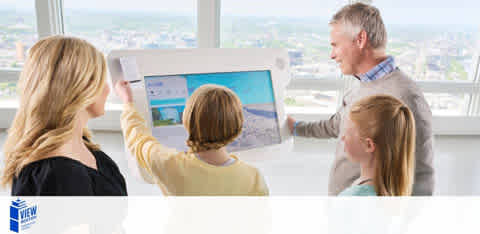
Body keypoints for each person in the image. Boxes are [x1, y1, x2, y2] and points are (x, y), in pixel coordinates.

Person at [288, 2, 434, 195]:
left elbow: (421, 175)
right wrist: (296, 128)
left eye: (335, 45)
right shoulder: (362, 85)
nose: (332, 55)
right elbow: (337, 125)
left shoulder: (404, 96)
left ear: (360, 39)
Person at [2, 36, 127, 196]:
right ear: (82, 87)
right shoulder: (59, 176)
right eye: (102, 80)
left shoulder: (81, 146)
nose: (108, 89)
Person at [115, 81, 268, 195]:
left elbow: (138, 138)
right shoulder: (253, 178)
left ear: (187, 121)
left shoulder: (171, 165)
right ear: (238, 126)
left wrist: (128, 102)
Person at [339, 95, 415, 196]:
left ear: (369, 145)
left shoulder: (353, 197)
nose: (342, 138)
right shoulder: (391, 190)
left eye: (347, 133)